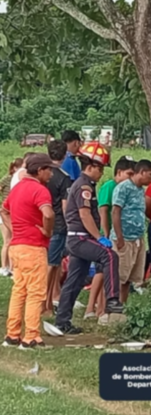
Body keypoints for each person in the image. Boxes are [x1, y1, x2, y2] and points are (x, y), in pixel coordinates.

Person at [55, 142, 123, 335]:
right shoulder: (84, 185)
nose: (101, 173)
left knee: (74, 281)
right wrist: (99, 237)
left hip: (77, 238)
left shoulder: (85, 184)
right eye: (100, 169)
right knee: (110, 256)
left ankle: (62, 321)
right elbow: (85, 215)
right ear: (90, 166)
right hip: (80, 238)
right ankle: (112, 300)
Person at [1, 154, 55, 348]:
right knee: (36, 292)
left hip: (16, 246)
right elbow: (48, 214)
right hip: (33, 246)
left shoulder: (17, 189)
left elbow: (4, 209)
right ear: (39, 171)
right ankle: (31, 336)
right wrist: (47, 231)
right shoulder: (40, 190)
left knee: (19, 291)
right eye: (48, 169)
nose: (51, 173)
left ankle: (12, 335)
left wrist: (14, 228)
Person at [85, 156, 136, 319]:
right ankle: (95, 308)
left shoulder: (128, 188)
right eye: (129, 174)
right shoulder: (110, 186)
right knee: (102, 273)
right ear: (119, 172)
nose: (131, 178)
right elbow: (103, 211)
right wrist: (104, 234)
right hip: (107, 235)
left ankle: (108, 308)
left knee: (112, 273)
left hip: (119, 233)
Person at [111, 159, 151, 303]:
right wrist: (119, 238)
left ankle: (123, 304)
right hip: (124, 238)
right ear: (141, 172)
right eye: (150, 175)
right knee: (120, 275)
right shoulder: (123, 187)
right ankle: (113, 303)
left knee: (131, 276)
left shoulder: (140, 190)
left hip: (137, 238)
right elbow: (116, 212)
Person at [45, 140, 72, 313]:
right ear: (65, 155)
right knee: (52, 265)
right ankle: (43, 301)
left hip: (42, 223)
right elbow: (65, 206)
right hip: (59, 224)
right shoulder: (63, 177)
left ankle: (47, 302)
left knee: (52, 263)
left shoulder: (41, 174)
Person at [0, 158, 23, 277]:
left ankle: (12, 266)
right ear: (14, 168)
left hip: (14, 211)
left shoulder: (20, 180)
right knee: (7, 240)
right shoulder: (6, 179)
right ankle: (4, 267)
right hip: (5, 212)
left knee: (14, 240)